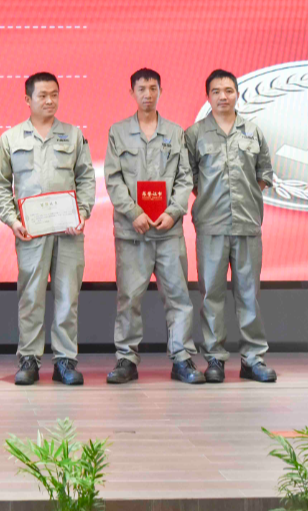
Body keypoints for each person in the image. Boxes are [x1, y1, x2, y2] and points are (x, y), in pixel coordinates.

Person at [0, 72, 96, 386]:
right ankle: (29, 359)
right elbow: (0, 185)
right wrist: (12, 221)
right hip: (30, 233)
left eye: (54, 95)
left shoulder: (73, 135)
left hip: (68, 233)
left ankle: (65, 360)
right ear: (28, 99)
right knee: (31, 297)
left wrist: (82, 213)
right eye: (42, 95)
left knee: (67, 297)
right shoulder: (11, 138)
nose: (49, 101)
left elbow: (86, 178)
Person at [104, 69, 206, 385]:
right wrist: (133, 212)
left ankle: (182, 358)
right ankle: (126, 359)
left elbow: (185, 178)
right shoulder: (118, 132)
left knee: (178, 297)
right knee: (129, 298)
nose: (147, 94)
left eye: (153, 88)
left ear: (160, 91)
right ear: (131, 92)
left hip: (168, 231)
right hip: (132, 232)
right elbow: (113, 179)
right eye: (141, 89)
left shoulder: (175, 132)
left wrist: (174, 212)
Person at [185, 69, 277, 383]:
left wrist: (244, 199)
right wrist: (213, 199)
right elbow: (190, 179)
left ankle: (253, 359)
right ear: (208, 96)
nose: (223, 96)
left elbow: (264, 174)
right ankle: (215, 359)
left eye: (228, 90)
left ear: (237, 93)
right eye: (216, 91)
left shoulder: (253, 131)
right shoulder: (195, 134)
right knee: (211, 295)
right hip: (211, 225)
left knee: (249, 295)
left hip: (247, 224)